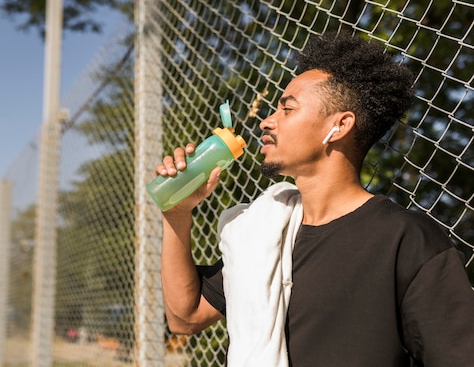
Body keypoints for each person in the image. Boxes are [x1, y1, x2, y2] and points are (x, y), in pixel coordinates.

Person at [154, 32, 474, 366]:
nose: (267, 121)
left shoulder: (406, 239)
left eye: (287, 109)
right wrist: (176, 213)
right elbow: (185, 317)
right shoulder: (265, 234)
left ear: (338, 127)